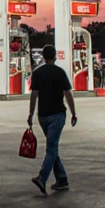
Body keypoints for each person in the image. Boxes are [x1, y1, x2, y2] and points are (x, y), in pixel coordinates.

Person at [27, 44, 77, 195]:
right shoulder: (60, 72)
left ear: (43, 56)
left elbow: (34, 95)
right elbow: (68, 93)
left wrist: (31, 114)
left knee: (52, 147)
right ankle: (46, 179)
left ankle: (60, 179)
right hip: (57, 115)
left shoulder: (37, 73)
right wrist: (73, 113)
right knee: (52, 148)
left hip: (43, 115)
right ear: (55, 56)